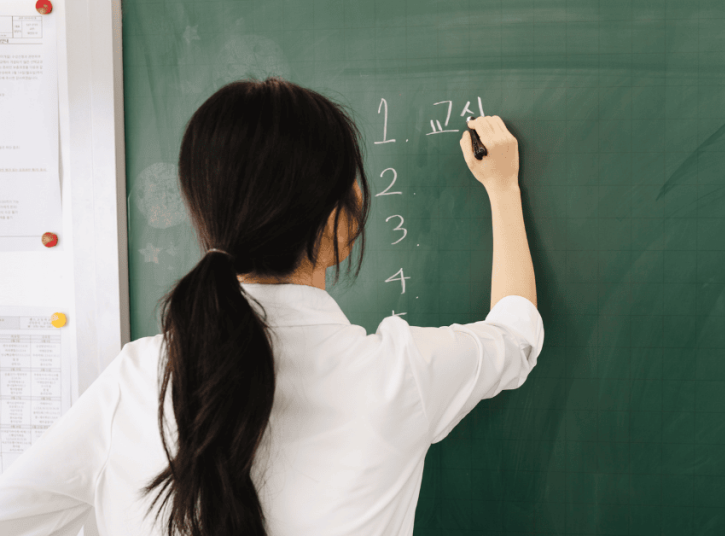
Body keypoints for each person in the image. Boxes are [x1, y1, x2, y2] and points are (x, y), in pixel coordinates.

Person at [0, 78, 542, 536]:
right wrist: (502, 187)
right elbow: (517, 335)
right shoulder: (401, 374)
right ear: (336, 225)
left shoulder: (138, 380)